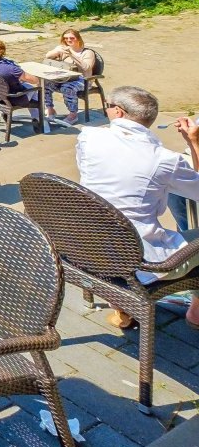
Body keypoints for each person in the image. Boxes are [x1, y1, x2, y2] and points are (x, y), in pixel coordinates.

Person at [77, 86, 199, 329]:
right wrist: (194, 141)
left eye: (107, 105)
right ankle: (195, 314)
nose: (106, 109)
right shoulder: (164, 160)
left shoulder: (88, 138)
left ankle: (122, 309)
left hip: (85, 245)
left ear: (119, 113)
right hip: (140, 262)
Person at [0, 39, 41, 119]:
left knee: (22, 85)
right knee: (34, 89)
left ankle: (7, 113)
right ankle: (37, 119)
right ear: (2, 51)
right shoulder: (11, 68)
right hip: (9, 99)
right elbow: (34, 80)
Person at [43, 28, 97, 125]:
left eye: (72, 38)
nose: (69, 40)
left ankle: (73, 114)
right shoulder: (63, 50)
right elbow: (47, 56)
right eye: (66, 38)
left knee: (67, 88)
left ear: (78, 39)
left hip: (83, 80)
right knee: (44, 82)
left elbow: (86, 68)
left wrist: (72, 55)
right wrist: (56, 50)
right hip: (65, 78)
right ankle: (50, 108)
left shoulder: (87, 52)